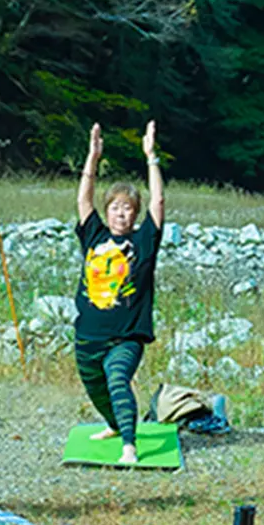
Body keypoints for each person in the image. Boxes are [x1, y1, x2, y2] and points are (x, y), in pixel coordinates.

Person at [73, 120, 165, 466]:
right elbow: (83, 198)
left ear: (134, 213)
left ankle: (130, 444)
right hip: (87, 335)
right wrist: (93, 158)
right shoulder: (94, 235)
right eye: (115, 206)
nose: (120, 212)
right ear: (107, 210)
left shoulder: (143, 242)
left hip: (126, 336)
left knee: (117, 378)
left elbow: (158, 200)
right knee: (96, 387)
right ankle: (114, 425)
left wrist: (151, 156)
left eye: (127, 207)